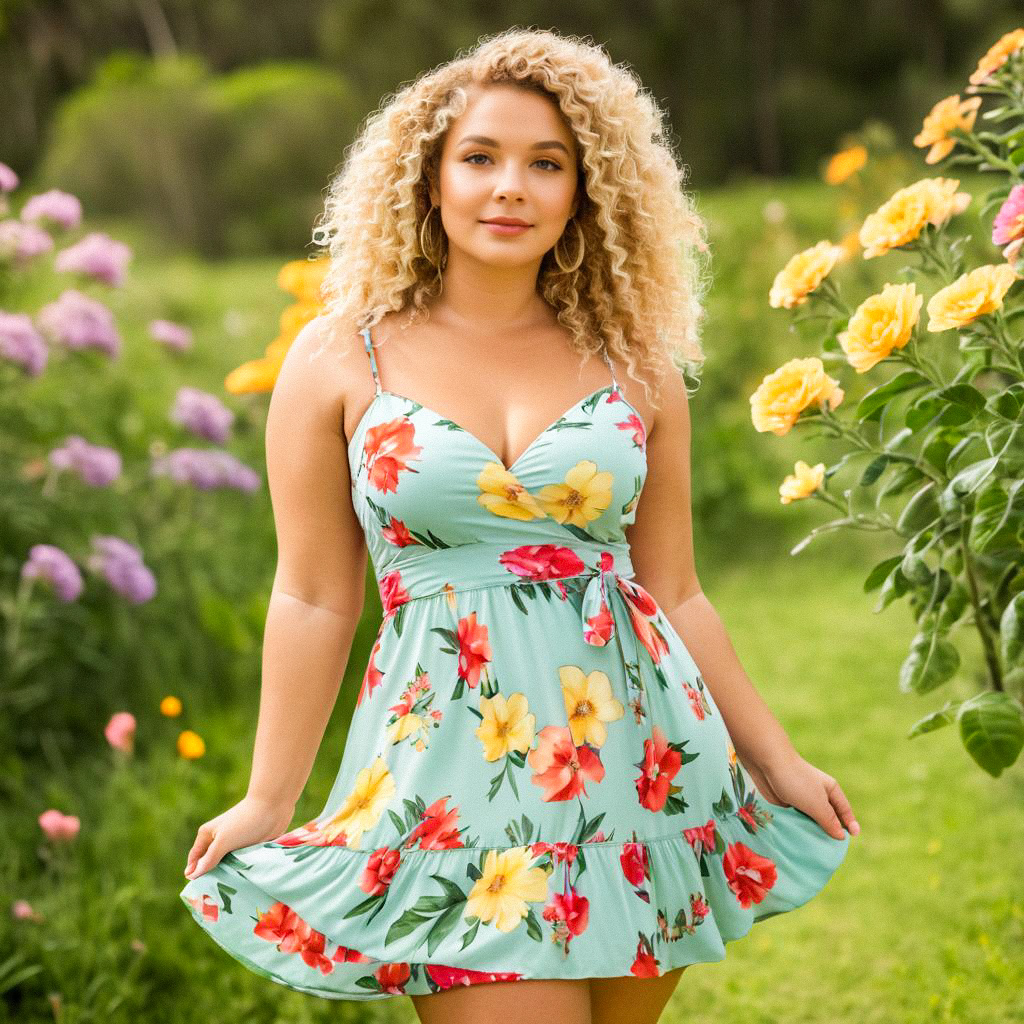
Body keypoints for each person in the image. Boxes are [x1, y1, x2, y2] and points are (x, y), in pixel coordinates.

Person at [180, 26, 859, 1023]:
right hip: (451, 783)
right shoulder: (338, 361)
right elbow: (314, 594)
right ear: (429, 176)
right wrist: (268, 797)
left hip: (642, 769)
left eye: (547, 164)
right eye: (481, 158)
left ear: (585, 192)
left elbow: (674, 589)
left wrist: (774, 759)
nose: (511, 187)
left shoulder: (635, 362)